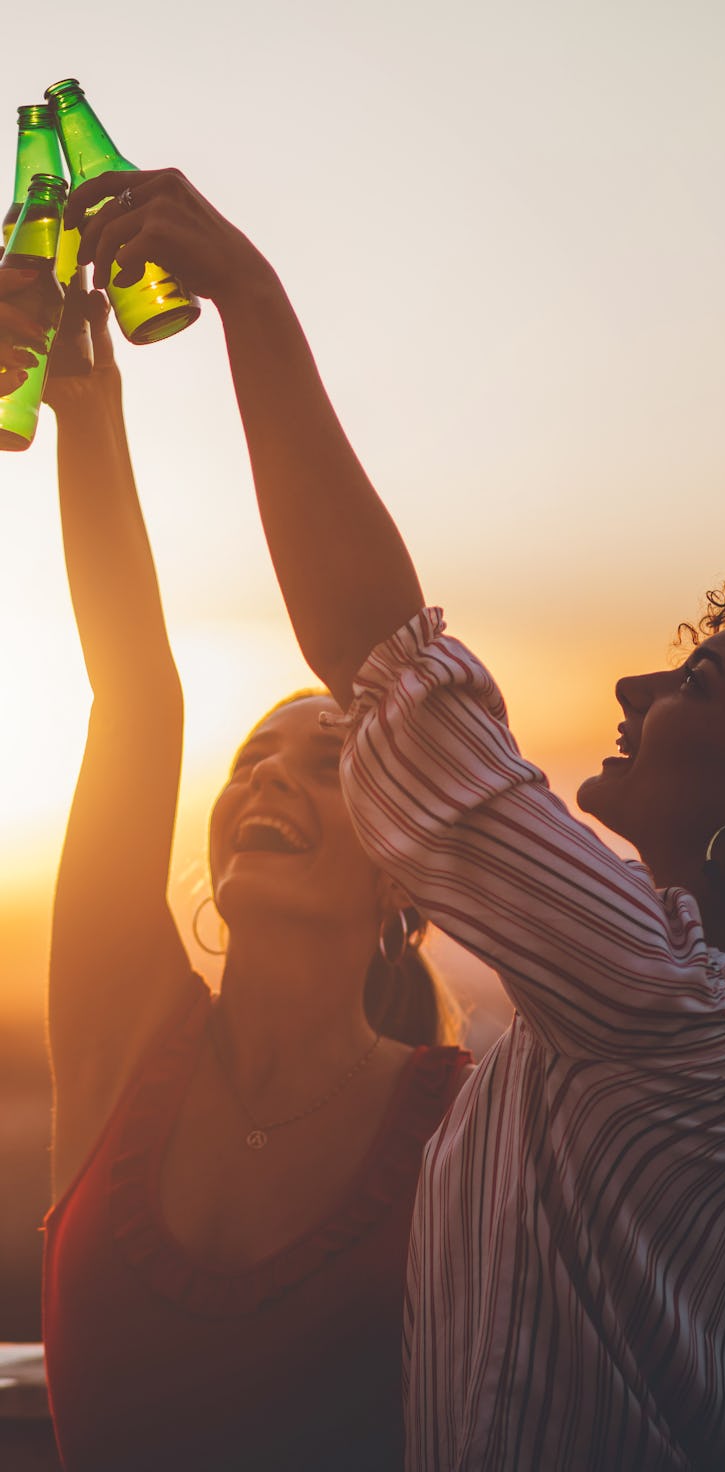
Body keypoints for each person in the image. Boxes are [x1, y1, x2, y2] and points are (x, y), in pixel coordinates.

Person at [68, 170, 725, 1470]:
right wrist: (82, 386)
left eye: (699, 679)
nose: (637, 685)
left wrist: (247, 293)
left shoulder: (658, 1006)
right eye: (256, 756)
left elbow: (396, 680)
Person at [9, 280, 472, 1472]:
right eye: (251, 759)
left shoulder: (468, 1123)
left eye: (324, 765)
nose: (265, 779)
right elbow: (134, 693)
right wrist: (82, 396)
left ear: (399, 871)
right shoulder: (125, 1034)